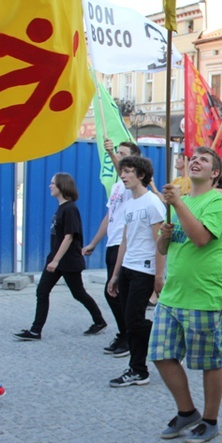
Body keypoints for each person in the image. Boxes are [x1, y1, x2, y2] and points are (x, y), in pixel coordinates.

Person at [149, 146, 222, 443]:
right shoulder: (180, 201)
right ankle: (187, 411)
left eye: (204, 160)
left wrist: (176, 205)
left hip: (203, 294)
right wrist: (165, 235)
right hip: (173, 295)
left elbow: (199, 239)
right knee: (160, 355)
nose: (195, 161)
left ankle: (210, 419)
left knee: (209, 361)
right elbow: (163, 248)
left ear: (214, 173)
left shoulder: (219, 203)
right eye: (193, 158)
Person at [15, 173, 107, 341]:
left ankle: (99, 321)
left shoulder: (70, 208)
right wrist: (54, 259)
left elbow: (69, 236)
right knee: (42, 291)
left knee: (78, 293)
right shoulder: (61, 208)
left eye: (53, 183)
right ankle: (35, 331)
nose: (50, 186)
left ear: (62, 186)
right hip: (56, 258)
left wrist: (56, 260)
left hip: (68, 260)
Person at [106, 156, 166, 387]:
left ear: (141, 175)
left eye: (128, 171)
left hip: (145, 269)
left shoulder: (152, 203)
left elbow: (160, 243)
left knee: (134, 320)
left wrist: (159, 276)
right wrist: (115, 274)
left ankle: (143, 365)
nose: (123, 175)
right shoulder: (129, 204)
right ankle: (138, 369)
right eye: (122, 171)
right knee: (130, 320)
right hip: (128, 268)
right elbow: (124, 240)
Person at [82, 140, 141, 356]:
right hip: (112, 243)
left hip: (124, 245)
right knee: (112, 294)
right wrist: (94, 242)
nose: (118, 155)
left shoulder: (132, 185)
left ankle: (130, 337)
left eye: (123, 154)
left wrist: (112, 155)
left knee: (117, 294)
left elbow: (125, 169)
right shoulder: (117, 187)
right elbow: (110, 216)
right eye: (117, 153)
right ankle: (125, 333)